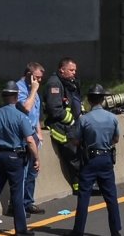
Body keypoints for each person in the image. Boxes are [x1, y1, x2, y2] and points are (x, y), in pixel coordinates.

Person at [0, 80, 40, 235]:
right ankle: (20, 230)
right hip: (15, 157)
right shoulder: (21, 117)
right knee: (16, 193)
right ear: (16, 96)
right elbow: (30, 140)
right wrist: (36, 158)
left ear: (3, 96)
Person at [70, 84, 122, 236]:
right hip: (106, 158)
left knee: (84, 196)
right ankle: (115, 231)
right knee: (111, 197)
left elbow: (75, 141)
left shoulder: (84, 119)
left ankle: (78, 231)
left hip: (89, 160)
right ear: (102, 99)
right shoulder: (112, 118)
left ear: (89, 100)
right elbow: (116, 139)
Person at [43, 57, 84, 195]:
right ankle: (78, 186)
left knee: (82, 152)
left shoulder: (69, 83)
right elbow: (55, 110)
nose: (74, 73)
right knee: (73, 154)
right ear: (62, 69)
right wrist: (71, 120)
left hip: (73, 125)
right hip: (61, 128)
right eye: (71, 70)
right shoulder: (54, 84)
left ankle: (85, 182)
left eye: (75, 70)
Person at [12, 61, 45, 217]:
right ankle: (17, 206)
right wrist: (33, 90)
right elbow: (26, 108)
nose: (39, 81)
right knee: (23, 173)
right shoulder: (19, 88)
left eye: (40, 78)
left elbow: (35, 114)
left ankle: (28, 202)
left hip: (33, 134)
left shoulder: (35, 89)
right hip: (22, 136)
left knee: (33, 171)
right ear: (28, 75)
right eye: (37, 77)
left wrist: (39, 132)